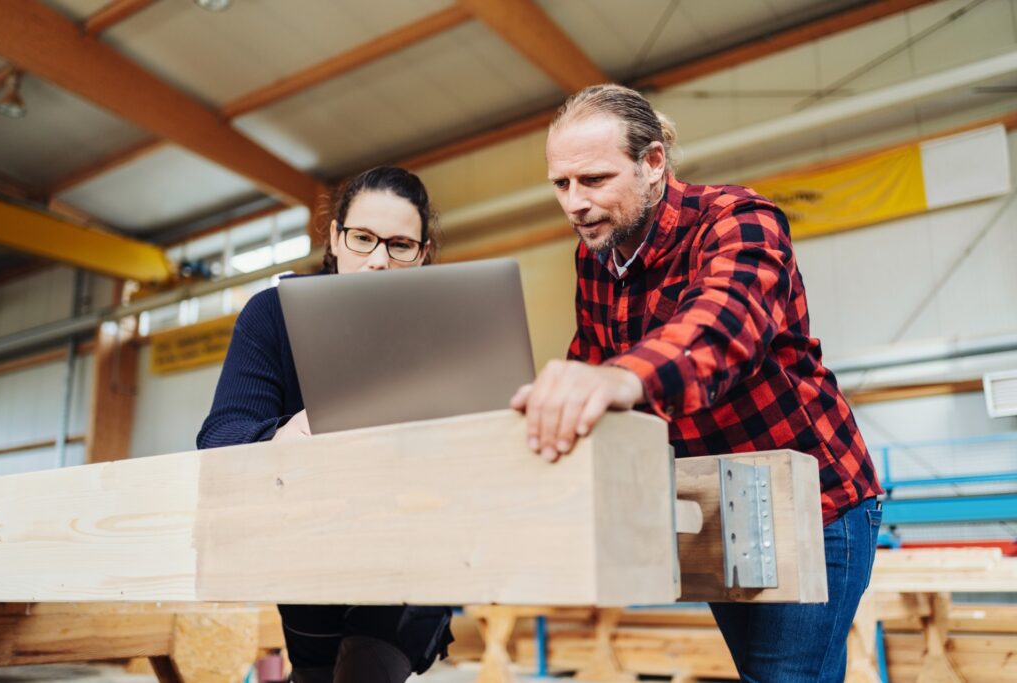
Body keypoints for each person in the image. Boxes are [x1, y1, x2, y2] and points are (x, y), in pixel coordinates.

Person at [510, 84, 883, 682]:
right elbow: (590, 358)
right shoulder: (596, 259)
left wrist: (616, 379)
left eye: (596, 180)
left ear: (653, 163)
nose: (575, 204)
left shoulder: (739, 220)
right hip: (724, 503)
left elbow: (724, 326)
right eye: (562, 184)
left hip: (816, 502)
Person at [198, 166, 453, 683]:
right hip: (310, 556)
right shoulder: (273, 315)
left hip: (411, 557)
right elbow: (218, 437)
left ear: (422, 254)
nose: (379, 260)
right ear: (335, 238)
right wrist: (278, 437)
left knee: (365, 670)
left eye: (401, 246)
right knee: (314, 673)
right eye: (362, 238)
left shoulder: (451, 331)